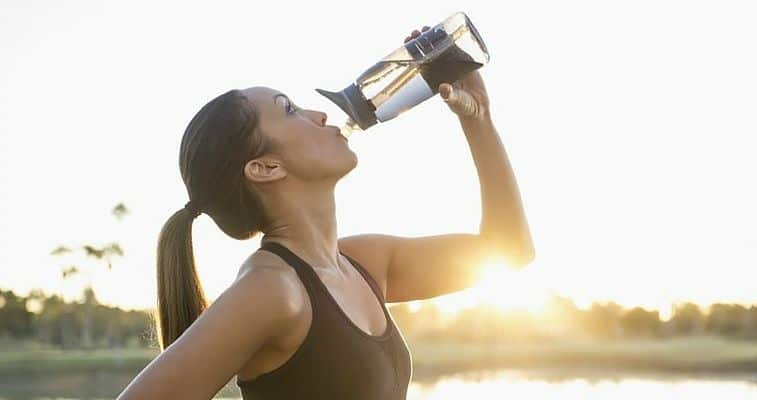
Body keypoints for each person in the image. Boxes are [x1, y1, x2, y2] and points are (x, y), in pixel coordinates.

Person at [117, 25, 534, 400]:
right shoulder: (272, 290)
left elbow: (509, 251)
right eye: (290, 110)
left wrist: (479, 119)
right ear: (265, 167)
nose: (318, 114)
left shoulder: (362, 264)